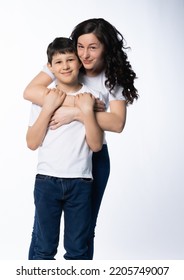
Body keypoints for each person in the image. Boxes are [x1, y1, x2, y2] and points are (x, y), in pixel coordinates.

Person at [24, 18, 139, 260]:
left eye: (93, 47)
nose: (84, 55)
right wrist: (75, 103)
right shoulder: (66, 60)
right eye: (80, 46)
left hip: (92, 158)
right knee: (42, 235)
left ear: (106, 47)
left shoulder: (112, 76)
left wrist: (76, 113)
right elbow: (31, 92)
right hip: (52, 167)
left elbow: (117, 123)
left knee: (83, 233)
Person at [26, 37, 104, 260]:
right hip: (46, 181)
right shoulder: (42, 98)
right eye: (58, 62)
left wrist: (86, 111)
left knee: (78, 249)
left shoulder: (92, 98)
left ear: (79, 62)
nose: (66, 66)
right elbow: (32, 143)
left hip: (80, 182)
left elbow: (96, 145)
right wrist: (48, 107)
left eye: (70, 60)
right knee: (43, 248)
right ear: (50, 67)